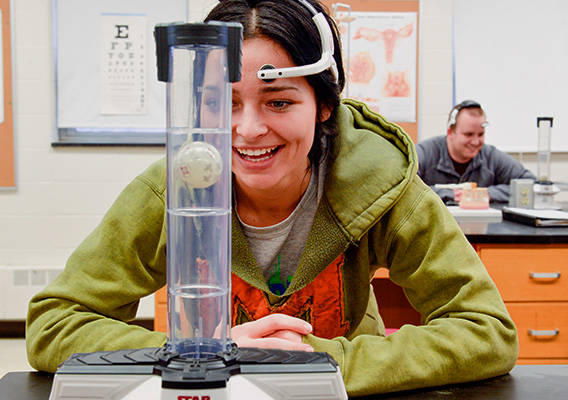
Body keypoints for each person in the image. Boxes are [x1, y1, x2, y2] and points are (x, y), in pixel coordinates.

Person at [26, 0, 518, 396]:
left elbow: (487, 332)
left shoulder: (382, 185)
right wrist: (197, 355)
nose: (248, 129)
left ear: (325, 104)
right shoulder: (171, 191)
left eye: (279, 101)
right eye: (223, 102)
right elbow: (53, 324)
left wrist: (328, 363)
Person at [416, 100, 536, 204]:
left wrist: (484, 194)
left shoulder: (491, 157)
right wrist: (449, 194)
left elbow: (532, 185)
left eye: (481, 134)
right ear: (450, 132)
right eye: (468, 134)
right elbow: (404, 186)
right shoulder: (425, 153)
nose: (475, 142)